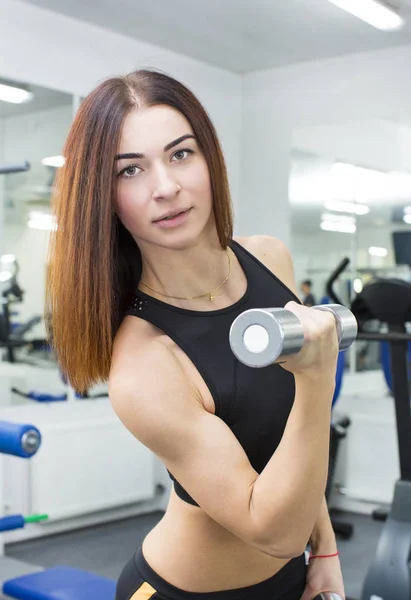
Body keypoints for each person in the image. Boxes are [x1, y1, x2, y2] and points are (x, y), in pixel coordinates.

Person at [46, 69, 345, 600]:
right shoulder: (144, 362)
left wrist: (325, 549)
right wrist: (317, 380)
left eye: (180, 154)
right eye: (130, 170)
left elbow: (289, 444)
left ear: (209, 158)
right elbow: (272, 529)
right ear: (104, 196)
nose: (166, 188)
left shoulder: (270, 257)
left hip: (291, 577)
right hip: (182, 590)